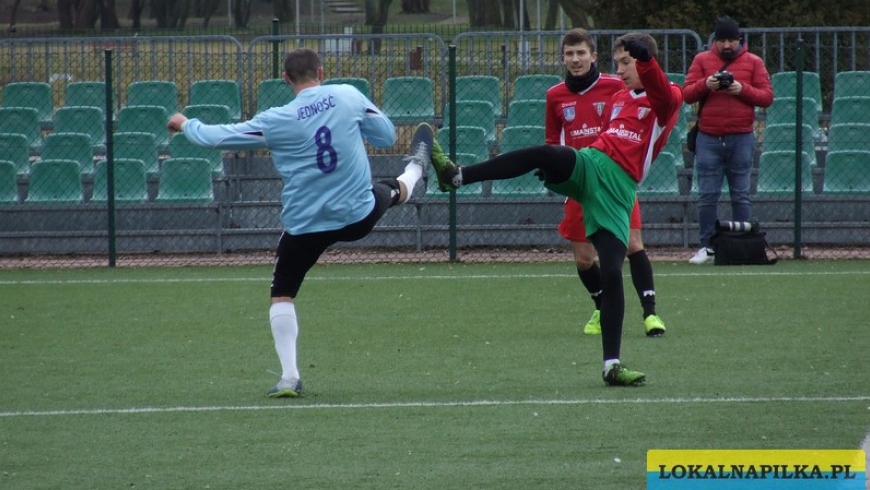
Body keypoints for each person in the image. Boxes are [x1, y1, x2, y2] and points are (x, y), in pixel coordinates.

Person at [167, 48, 432, 397]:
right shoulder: (347, 95)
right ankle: (416, 171)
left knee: (282, 294)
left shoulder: (276, 119)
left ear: (286, 80)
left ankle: (290, 377)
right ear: (321, 72)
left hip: (306, 225)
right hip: (356, 216)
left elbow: (216, 138)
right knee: (388, 191)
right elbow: (384, 136)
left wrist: (186, 123)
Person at [429, 33, 683, 386]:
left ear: (643, 62)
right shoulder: (621, 96)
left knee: (611, 271)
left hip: (619, 187)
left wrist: (646, 60)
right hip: (593, 164)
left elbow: (657, 88)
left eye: (627, 63)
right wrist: (567, 168)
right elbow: (606, 139)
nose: (621, 70)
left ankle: (612, 365)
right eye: (619, 63)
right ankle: (457, 176)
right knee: (546, 154)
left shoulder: (668, 96)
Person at [546, 28, 666, 338]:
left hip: (615, 179)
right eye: (569, 54)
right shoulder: (555, 95)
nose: (575, 59)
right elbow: (552, 140)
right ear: (563, 58)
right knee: (584, 259)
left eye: (581, 53)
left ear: (592, 55)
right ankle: (602, 307)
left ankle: (650, 314)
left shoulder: (618, 86)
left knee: (632, 244)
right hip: (580, 180)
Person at [683, 16, 773, 264]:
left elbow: (766, 97)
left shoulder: (754, 62)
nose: (726, 45)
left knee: (741, 195)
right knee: (707, 195)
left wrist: (741, 89)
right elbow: (687, 94)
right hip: (709, 137)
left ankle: (742, 246)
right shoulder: (702, 61)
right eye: (721, 39)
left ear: (739, 40)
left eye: (731, 40)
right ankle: (708, 247)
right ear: (715, 40)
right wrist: (706, 84)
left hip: (741, 136)